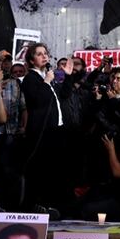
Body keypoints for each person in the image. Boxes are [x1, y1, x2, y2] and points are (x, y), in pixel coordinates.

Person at [20, 43, 72, 210]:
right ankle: (36, 206)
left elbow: (64, 95)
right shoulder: (31, 79)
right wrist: (47, 81)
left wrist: (68, 77)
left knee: (55, 172)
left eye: (45, 53)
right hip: (42, 134)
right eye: (39, 54)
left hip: (57, 131)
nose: (44, 56)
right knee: (40, 172)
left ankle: (53, 206)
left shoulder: (48, 77)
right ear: (31, 59)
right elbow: (37, 101)